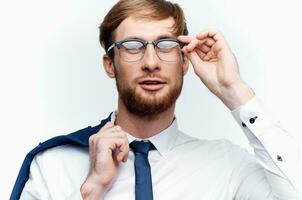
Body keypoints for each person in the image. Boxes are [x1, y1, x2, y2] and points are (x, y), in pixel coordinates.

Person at [11, 0, 302, 199]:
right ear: (110, 64)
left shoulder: (229, 166)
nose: (151, 62)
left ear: (185, 62)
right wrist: (91, 192)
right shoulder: (52, 165)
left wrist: (233, 89)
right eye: (133, 46)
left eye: (165, 45)